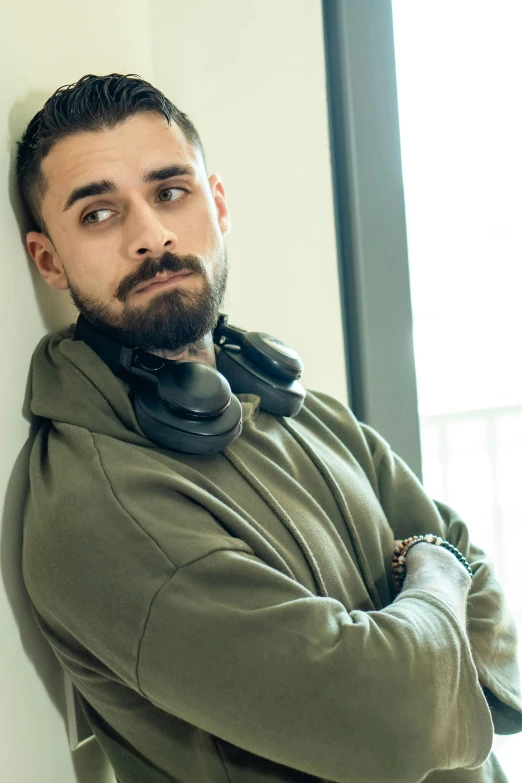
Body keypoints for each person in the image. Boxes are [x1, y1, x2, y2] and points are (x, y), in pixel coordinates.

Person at [16, 73, 522, 783]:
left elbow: (499, 629)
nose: (151, 234)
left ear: (216, 203)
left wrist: (421, 621)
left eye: (169, 192)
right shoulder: (101, 508)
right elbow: (396, 717)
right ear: (47, 259)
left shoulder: (280, 398)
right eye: (99, 214)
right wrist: (434, 570)